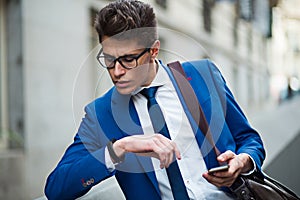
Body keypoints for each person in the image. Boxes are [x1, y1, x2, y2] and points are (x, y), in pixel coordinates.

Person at [44, 0, 265, 199]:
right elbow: (56, 188)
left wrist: (244, 160)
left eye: (128, 59)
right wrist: (119, 148)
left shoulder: (203, 75)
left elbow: (249, 139)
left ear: (154, 51)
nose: (116, 71)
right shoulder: (101, 113)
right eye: (109, 59)